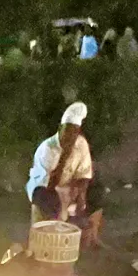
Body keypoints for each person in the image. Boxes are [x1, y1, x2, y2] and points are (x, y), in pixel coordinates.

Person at [26, 102, 102, 248]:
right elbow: (49, 184)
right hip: (45, 187)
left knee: (98, 192)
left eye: (74, 132)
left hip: (69, 187)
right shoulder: (47, 149)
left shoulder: (81, 144)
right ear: (60, 129)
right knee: (49, 201)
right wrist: (64, 156)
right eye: (67, 131)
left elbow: (84, 174)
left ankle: (90, 238)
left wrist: (81, 196)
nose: (70, 136)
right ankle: (52, 241)